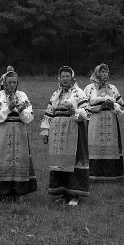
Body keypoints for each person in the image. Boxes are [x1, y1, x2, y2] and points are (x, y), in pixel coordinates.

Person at [40, 66, 91, 205]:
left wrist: (73, 110)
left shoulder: (79, 93)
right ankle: (63, 192)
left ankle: (75, 194)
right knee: (60, 161)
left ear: (72, 78)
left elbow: (87, 112)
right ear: (59, 78)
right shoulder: (56, 94)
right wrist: (45, 131)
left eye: (68, 76)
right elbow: (49, 112)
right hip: (58, 133)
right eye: (63, 76)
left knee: (74, 160)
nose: (65, 79)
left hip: (74, 130)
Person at [0, 67, 37, 199]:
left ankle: (19, 192)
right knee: (3, 159)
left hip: (20, 132)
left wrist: (21, 111)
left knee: (20, 160)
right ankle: (2, 192)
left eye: (14, 82)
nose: (12, 85)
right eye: (9, 82)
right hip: (3, 130)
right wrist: (8, 108)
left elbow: (29, 117)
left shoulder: (23, 96)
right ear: (4, 82)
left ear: (17, 83)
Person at [83, 64, 124, 181]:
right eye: (101, 71)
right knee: (94, 144)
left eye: (106, 71)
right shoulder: (89, 88)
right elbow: (82, 105)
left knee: (109, 145)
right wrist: (92, 108)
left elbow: (122, 105)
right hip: (94, 120)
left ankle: (111, 174)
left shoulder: (113, 88)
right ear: (96, 73)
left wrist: (114, 106)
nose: (104, 74)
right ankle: (93, 173)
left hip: (110, 119)